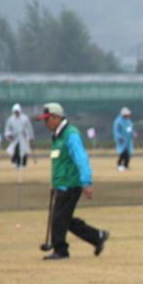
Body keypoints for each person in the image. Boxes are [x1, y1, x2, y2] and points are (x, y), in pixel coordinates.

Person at [36, 103, 109, 261]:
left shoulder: (71, 135)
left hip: (71, 184)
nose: (45, 123)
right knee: (65, 219)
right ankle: (97, 236)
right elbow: (60, 162)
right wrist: (54, 183)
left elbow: (81, 158)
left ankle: (61, 250)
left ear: (56, 118)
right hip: (62, 184)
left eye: (47, 119)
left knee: (58, 218)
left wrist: (86, 182)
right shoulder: (57, 136)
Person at [3, 103, 33, 169]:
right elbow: (7, 129)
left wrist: (30, 136)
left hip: (23, 138)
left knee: (24, 151)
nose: (16, 113)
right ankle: (15, 163)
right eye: (15, 111)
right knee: (13, 151)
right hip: (14, 139)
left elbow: (29, 128)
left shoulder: (25, 118)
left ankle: (23, 164)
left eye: (17, 111)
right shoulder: (10, 119)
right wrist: (9, 135)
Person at [113, 107, 134, 171]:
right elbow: (116, 131)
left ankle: (126, 165)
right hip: (121, 140)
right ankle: (120, 164)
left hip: (128, 140)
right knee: (123, 153)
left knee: (129, 153)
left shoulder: (128, 121)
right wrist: (120, 137)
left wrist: (132, 134)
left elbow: (129, 130)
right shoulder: (118, 122)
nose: (128, 115)